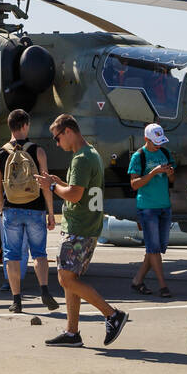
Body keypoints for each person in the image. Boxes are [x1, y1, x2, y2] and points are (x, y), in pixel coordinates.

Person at [35, 114, 128, 347]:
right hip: (86, 226)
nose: (57, 144)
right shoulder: (90, 153)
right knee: (70, 278)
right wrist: (59, 183)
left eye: (57, 138)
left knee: (65, 278)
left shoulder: (81, 159)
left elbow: (75, 195)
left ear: (68, 131)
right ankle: (72, 332)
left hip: (79, 227)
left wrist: (52, 186)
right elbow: (79, 191)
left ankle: (112, 315)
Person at [0, 109, 57, 313]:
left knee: (12, 255)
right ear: (25, 125)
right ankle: (44, 290)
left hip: (11, 209)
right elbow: (45, 185)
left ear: (10, 126)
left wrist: (2, 209)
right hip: (35, 209)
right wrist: (51, 213)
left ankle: (16, 300)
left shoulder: (0, 153)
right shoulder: (38, 151)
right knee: (39, 253)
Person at [127, 123, 175, 297]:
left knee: (157, 248)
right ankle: (163, 286)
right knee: (153, 248)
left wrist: (170, 174)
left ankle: (137, 281)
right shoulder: (138, 156)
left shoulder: (165, 153)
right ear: (146, 139)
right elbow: (134, 184)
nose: (158, 145)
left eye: (161, 142)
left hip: (164, 206)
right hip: (147, 208)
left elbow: (172, 180)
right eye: (155, 142)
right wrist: (153, 172)